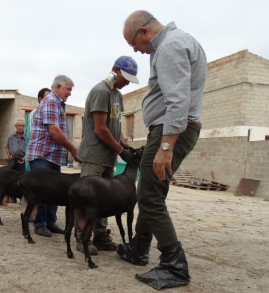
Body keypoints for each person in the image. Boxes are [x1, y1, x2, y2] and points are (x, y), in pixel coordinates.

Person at [116, 10, 207, 290]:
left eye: (134, 44)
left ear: (144, 32)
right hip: (174, 128)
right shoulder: (181, 41)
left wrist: (166, 145)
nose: (136, 51)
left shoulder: (169, 47)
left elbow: (178, 100)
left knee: (149, 196)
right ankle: (139, 249)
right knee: (151, 191)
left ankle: (174, 265)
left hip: (171, 129)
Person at [77, 56, 141, 256]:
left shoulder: (117, 95)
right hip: (95, 155)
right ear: (115, 69)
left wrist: (125, 145)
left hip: (108, 158)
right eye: (126, 77)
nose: (128, 82)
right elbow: (101, 129)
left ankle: (100, 235)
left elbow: (115, 126)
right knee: (87, 198)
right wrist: (121, 151)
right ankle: (82, 237)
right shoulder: (100, 92)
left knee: (106, 200)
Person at [26, 75, 81, 237]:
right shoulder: (50, 101)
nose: (70, 93)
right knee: (43, 190)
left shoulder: (58, 104)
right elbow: (54, 131)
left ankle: (50, 222)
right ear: (58, 86)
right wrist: (72, 149)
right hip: (43, 154)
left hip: (53, 156)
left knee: (55, 190)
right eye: (68, 89)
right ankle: (40, 223)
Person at [24, 88, 50, 172]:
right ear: (40, 99)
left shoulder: (49, 112)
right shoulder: (34, 113)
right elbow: (31, 136)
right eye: (47, 97)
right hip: (38, 156)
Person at [4, 119, 26, 203]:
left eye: (22, 126)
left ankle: (22, 198)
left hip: (23, 159)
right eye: (19, 125)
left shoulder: (27, 136)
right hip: (12, 159)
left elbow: (30, 148)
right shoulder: (11, 136)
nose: (21, 127)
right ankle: (12, 198)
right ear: (16, 126)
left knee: (23, 179)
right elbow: (6, 147)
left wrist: (24, 158)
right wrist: (9, 156)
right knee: (11, 178)